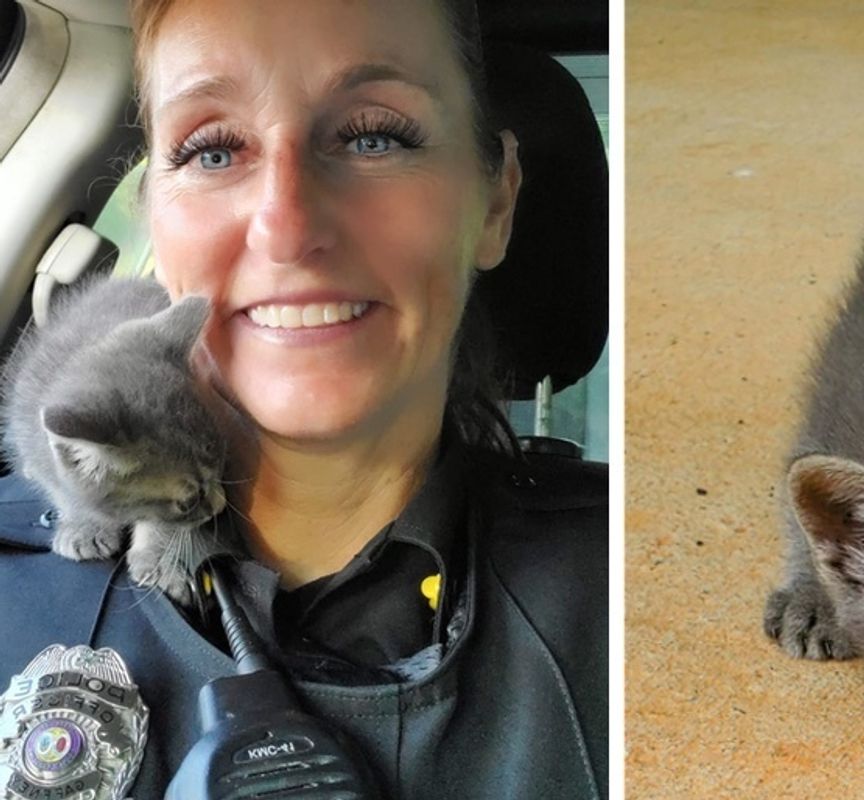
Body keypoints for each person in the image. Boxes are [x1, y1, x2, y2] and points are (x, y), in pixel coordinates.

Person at [0, 1, 607, 797]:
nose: (285, 228)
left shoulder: (611, 597)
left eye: (373, 136)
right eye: (213, 151)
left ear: (495, 203)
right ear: (155, 217)